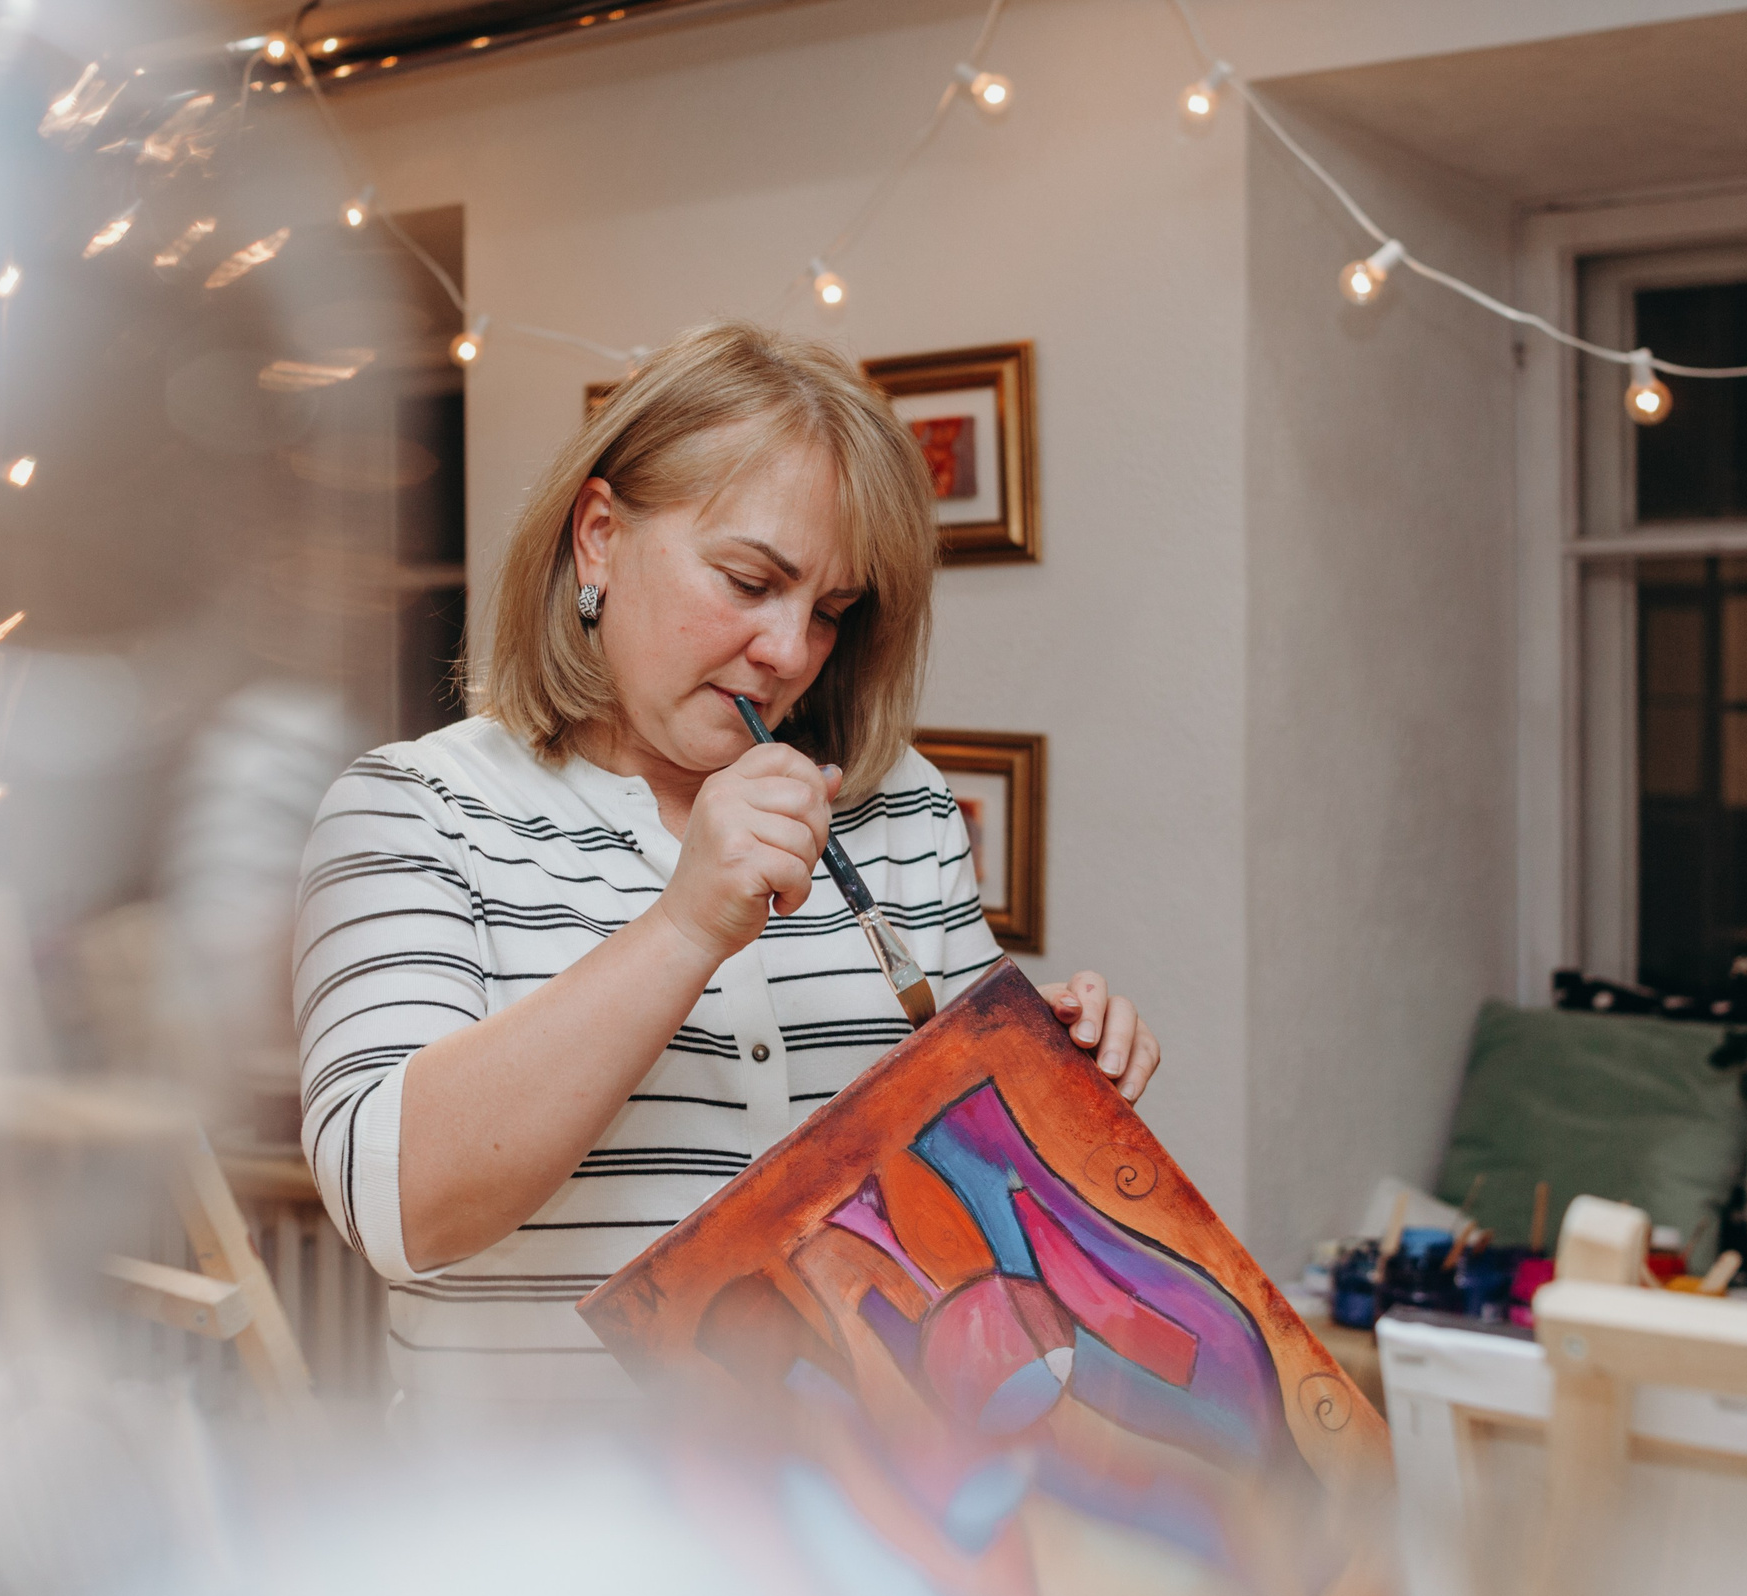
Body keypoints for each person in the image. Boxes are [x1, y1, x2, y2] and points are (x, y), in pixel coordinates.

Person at [294, 321, 1158, 1429]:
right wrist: (685, 925)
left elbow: (967, 1211)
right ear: (599, 537)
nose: (790, 650)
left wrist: (1054, 1089)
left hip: (852, 1542)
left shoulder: (898, 811)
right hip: (531, 1562)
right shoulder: (415, 807)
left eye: (832, 612)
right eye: (751, 579)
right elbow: (401, 1204)